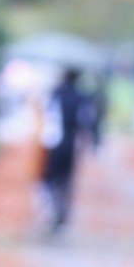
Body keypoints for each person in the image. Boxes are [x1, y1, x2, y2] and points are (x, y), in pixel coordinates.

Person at [39, 68, 94, 231]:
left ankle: (51, 210)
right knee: (65, 179)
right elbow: (85, 120)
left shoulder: (56, 92)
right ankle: (62, 213)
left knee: (50, 176)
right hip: (71, 142)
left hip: (54, 141)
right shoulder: (82, 96)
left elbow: (47, 113)